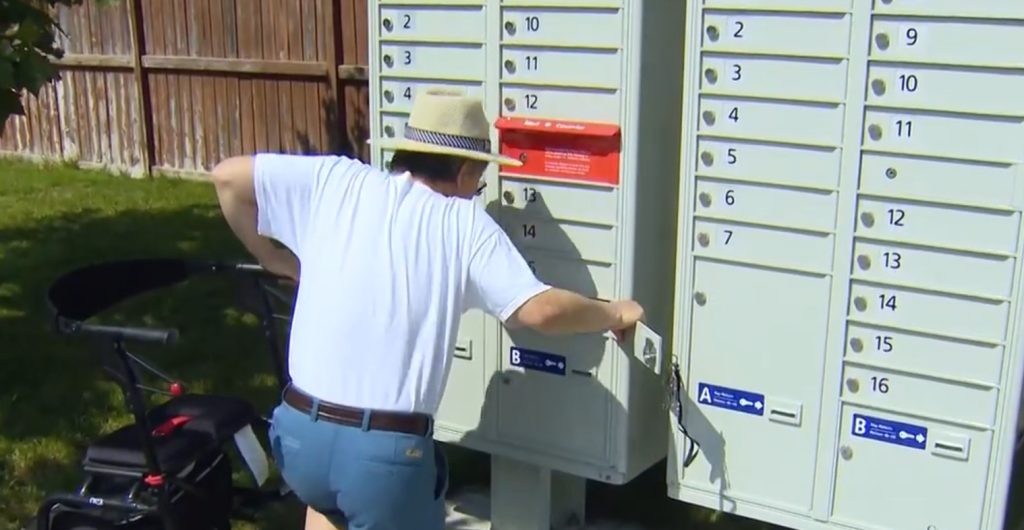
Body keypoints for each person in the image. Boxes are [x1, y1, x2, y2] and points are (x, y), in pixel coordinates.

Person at [209, 88, 645, 530]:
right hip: (381, 460)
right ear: (466, 169)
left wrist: (274, 260)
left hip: (298, 435)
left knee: (330, 507)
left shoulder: (336, 180)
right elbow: (538, 311)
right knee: (370, 492)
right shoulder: (462, 222)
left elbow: (227, 178)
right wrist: (612, 313)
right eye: (480, 181)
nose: (478, 191)